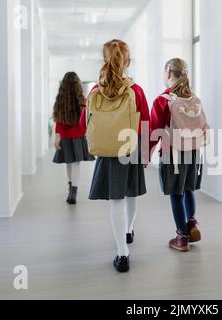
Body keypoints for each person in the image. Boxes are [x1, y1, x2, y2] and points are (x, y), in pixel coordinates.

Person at [86, 39, 150, 273]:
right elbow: (146, 123)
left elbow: (89, 122)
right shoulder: (136, 90)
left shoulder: (94, 91)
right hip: (130, 147)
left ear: (104, 60)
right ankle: (128, 229)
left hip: (106, 150)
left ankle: (122, 254)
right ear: (128, 62)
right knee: (130, 192)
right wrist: (145, 152)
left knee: (116, 201)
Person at [150, 58, 209, 252]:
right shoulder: (194, 99)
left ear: (168, 72)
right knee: (188, 189)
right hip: (194, 152)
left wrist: (145, 154)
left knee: (176, 193)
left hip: (172, 154)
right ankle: (192, 223)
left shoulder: (162, 101)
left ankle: (181, 237)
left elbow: (153, 131)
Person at [53, 72, 95, 205]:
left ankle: (70, 188)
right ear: (78, 84)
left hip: (65, 136)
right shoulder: (82, 99)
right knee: (76, 164)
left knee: (69, 162)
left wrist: (57, 135)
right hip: (78, 135)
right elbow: (87, 119)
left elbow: (58, 120)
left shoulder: (61, 99)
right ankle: (74, 193)